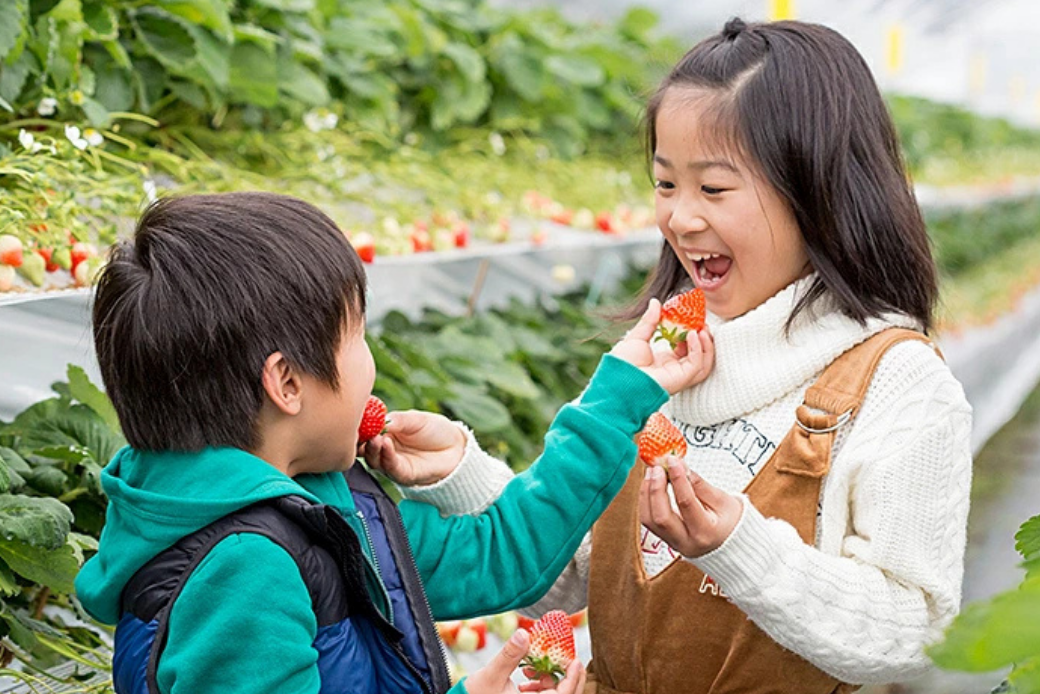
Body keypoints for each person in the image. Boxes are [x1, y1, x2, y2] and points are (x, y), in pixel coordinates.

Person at [363, 18, 973, 694]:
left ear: (819, 192)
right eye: (665, 185)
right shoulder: (663, 361)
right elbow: (578, 580)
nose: (680, 219)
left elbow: (911, 633)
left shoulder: (897, 383)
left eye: (713, 189)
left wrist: (736, 546)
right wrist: (462, 475)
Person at [73, 192, 715, 694]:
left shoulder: (318, 496)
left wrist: (619, 395)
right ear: (287, 383)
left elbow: (505, 556)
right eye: (356, 334)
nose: (368, 362)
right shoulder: (245, 571)